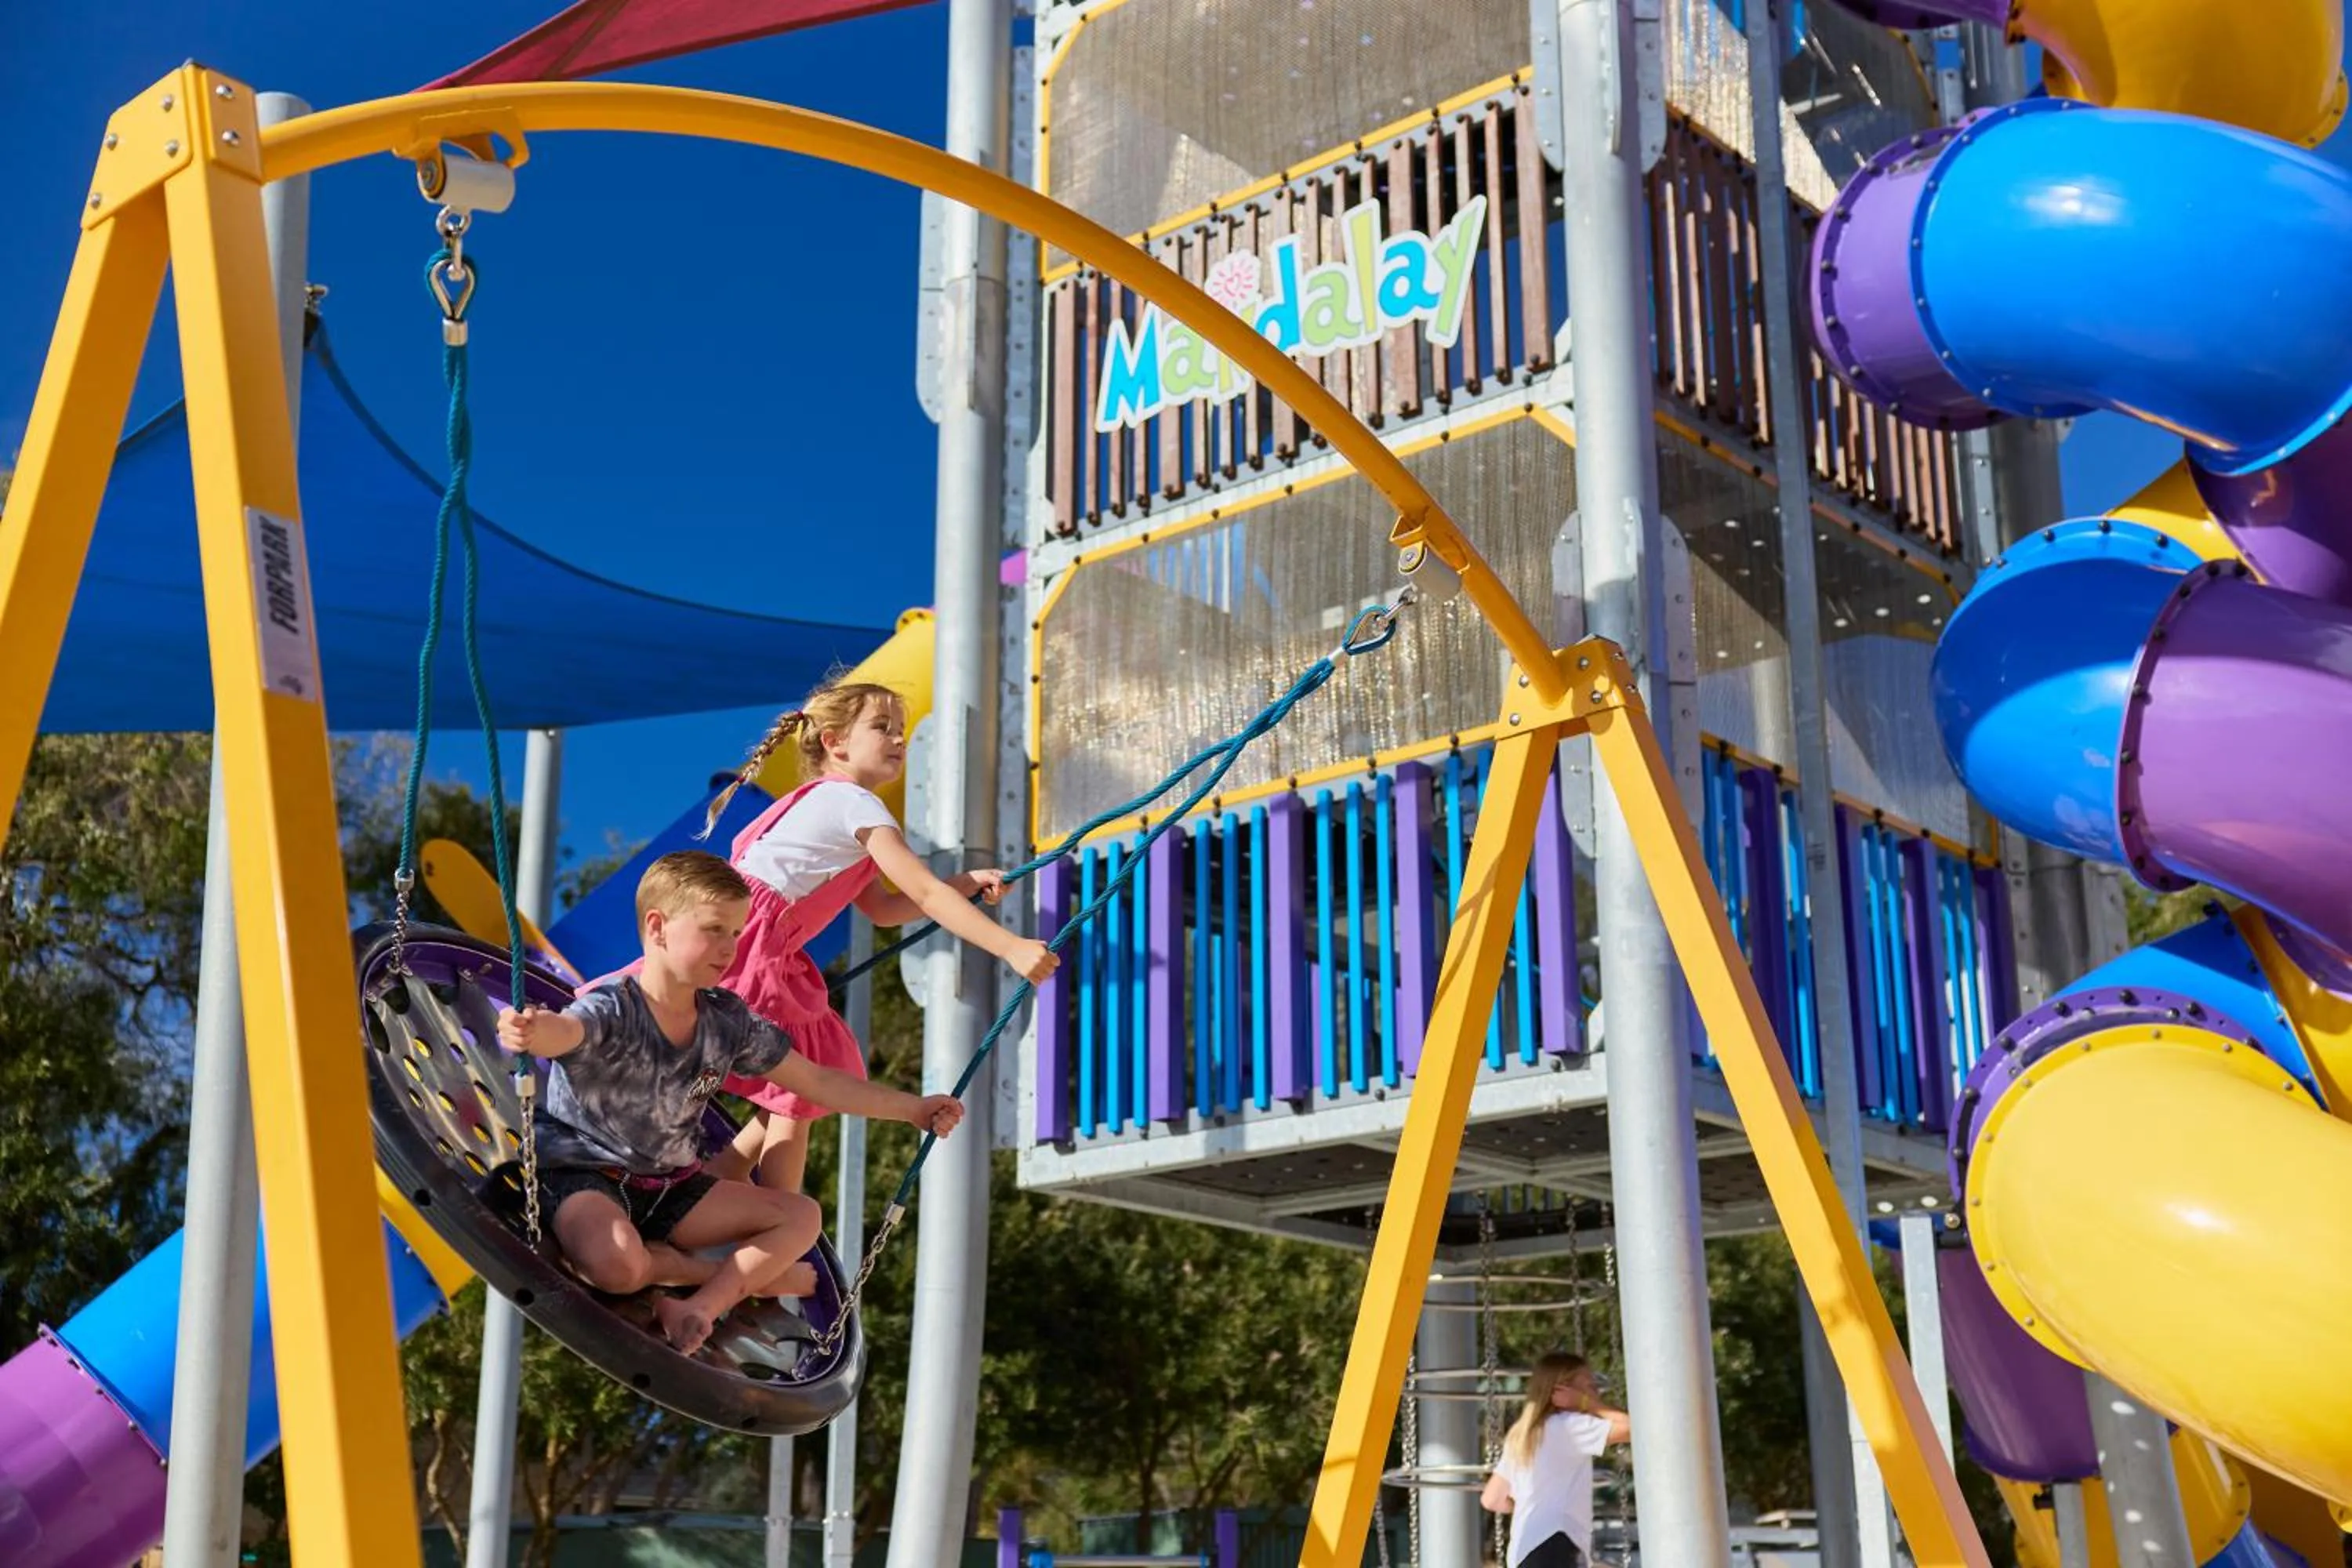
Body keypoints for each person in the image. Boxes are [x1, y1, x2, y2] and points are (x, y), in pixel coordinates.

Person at [498, 850, 964, 1355]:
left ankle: (699, 1306)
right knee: (617, 1267)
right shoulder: (614, 1007)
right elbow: (564, 1032)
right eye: (715, 929)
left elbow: (816, 1083)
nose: (730, 948)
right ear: (658, 928)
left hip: (669, 1188)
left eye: (737, 933)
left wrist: (913, 1110)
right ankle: (688, 1270)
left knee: (802, 1217)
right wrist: (529, 1029)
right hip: (585, 1178)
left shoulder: (726, 1022)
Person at [687, 675, 1058, 1192]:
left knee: (799, 1077)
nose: (900, 739)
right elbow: (927, 896)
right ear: (834, 743)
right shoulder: (854, 805)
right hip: (754, 943)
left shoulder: (817, 803)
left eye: (902, 730)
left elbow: (885, 909)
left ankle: (724, 1175)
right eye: (882, 727)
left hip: (737, 932)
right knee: (799, 1078)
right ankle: (777, 1213)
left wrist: (963, 883)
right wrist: (1011, 947)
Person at [1479, 1351, 1633, 1568]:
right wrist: (1590, 1404)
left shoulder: (1522, 1435)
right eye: (1589, 1386)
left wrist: (1536, 1505)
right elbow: (1632, 1428)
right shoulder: (1568, 1426)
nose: (1595, 1392)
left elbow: (1492, 1499)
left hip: (1524, 1550)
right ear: (1562, 1391)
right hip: (1558, 1542)